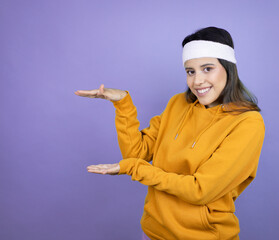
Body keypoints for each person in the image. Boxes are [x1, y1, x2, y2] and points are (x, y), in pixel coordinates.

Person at [75, 26, 265, 240]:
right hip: (156, 232)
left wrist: (134, 169)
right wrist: (123, 105)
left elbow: (200, 190)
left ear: (228, 68)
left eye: (207, 68)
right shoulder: (178, 104)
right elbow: (136, 154)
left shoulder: (247, 122)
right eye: (190, 71)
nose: (197, 81)